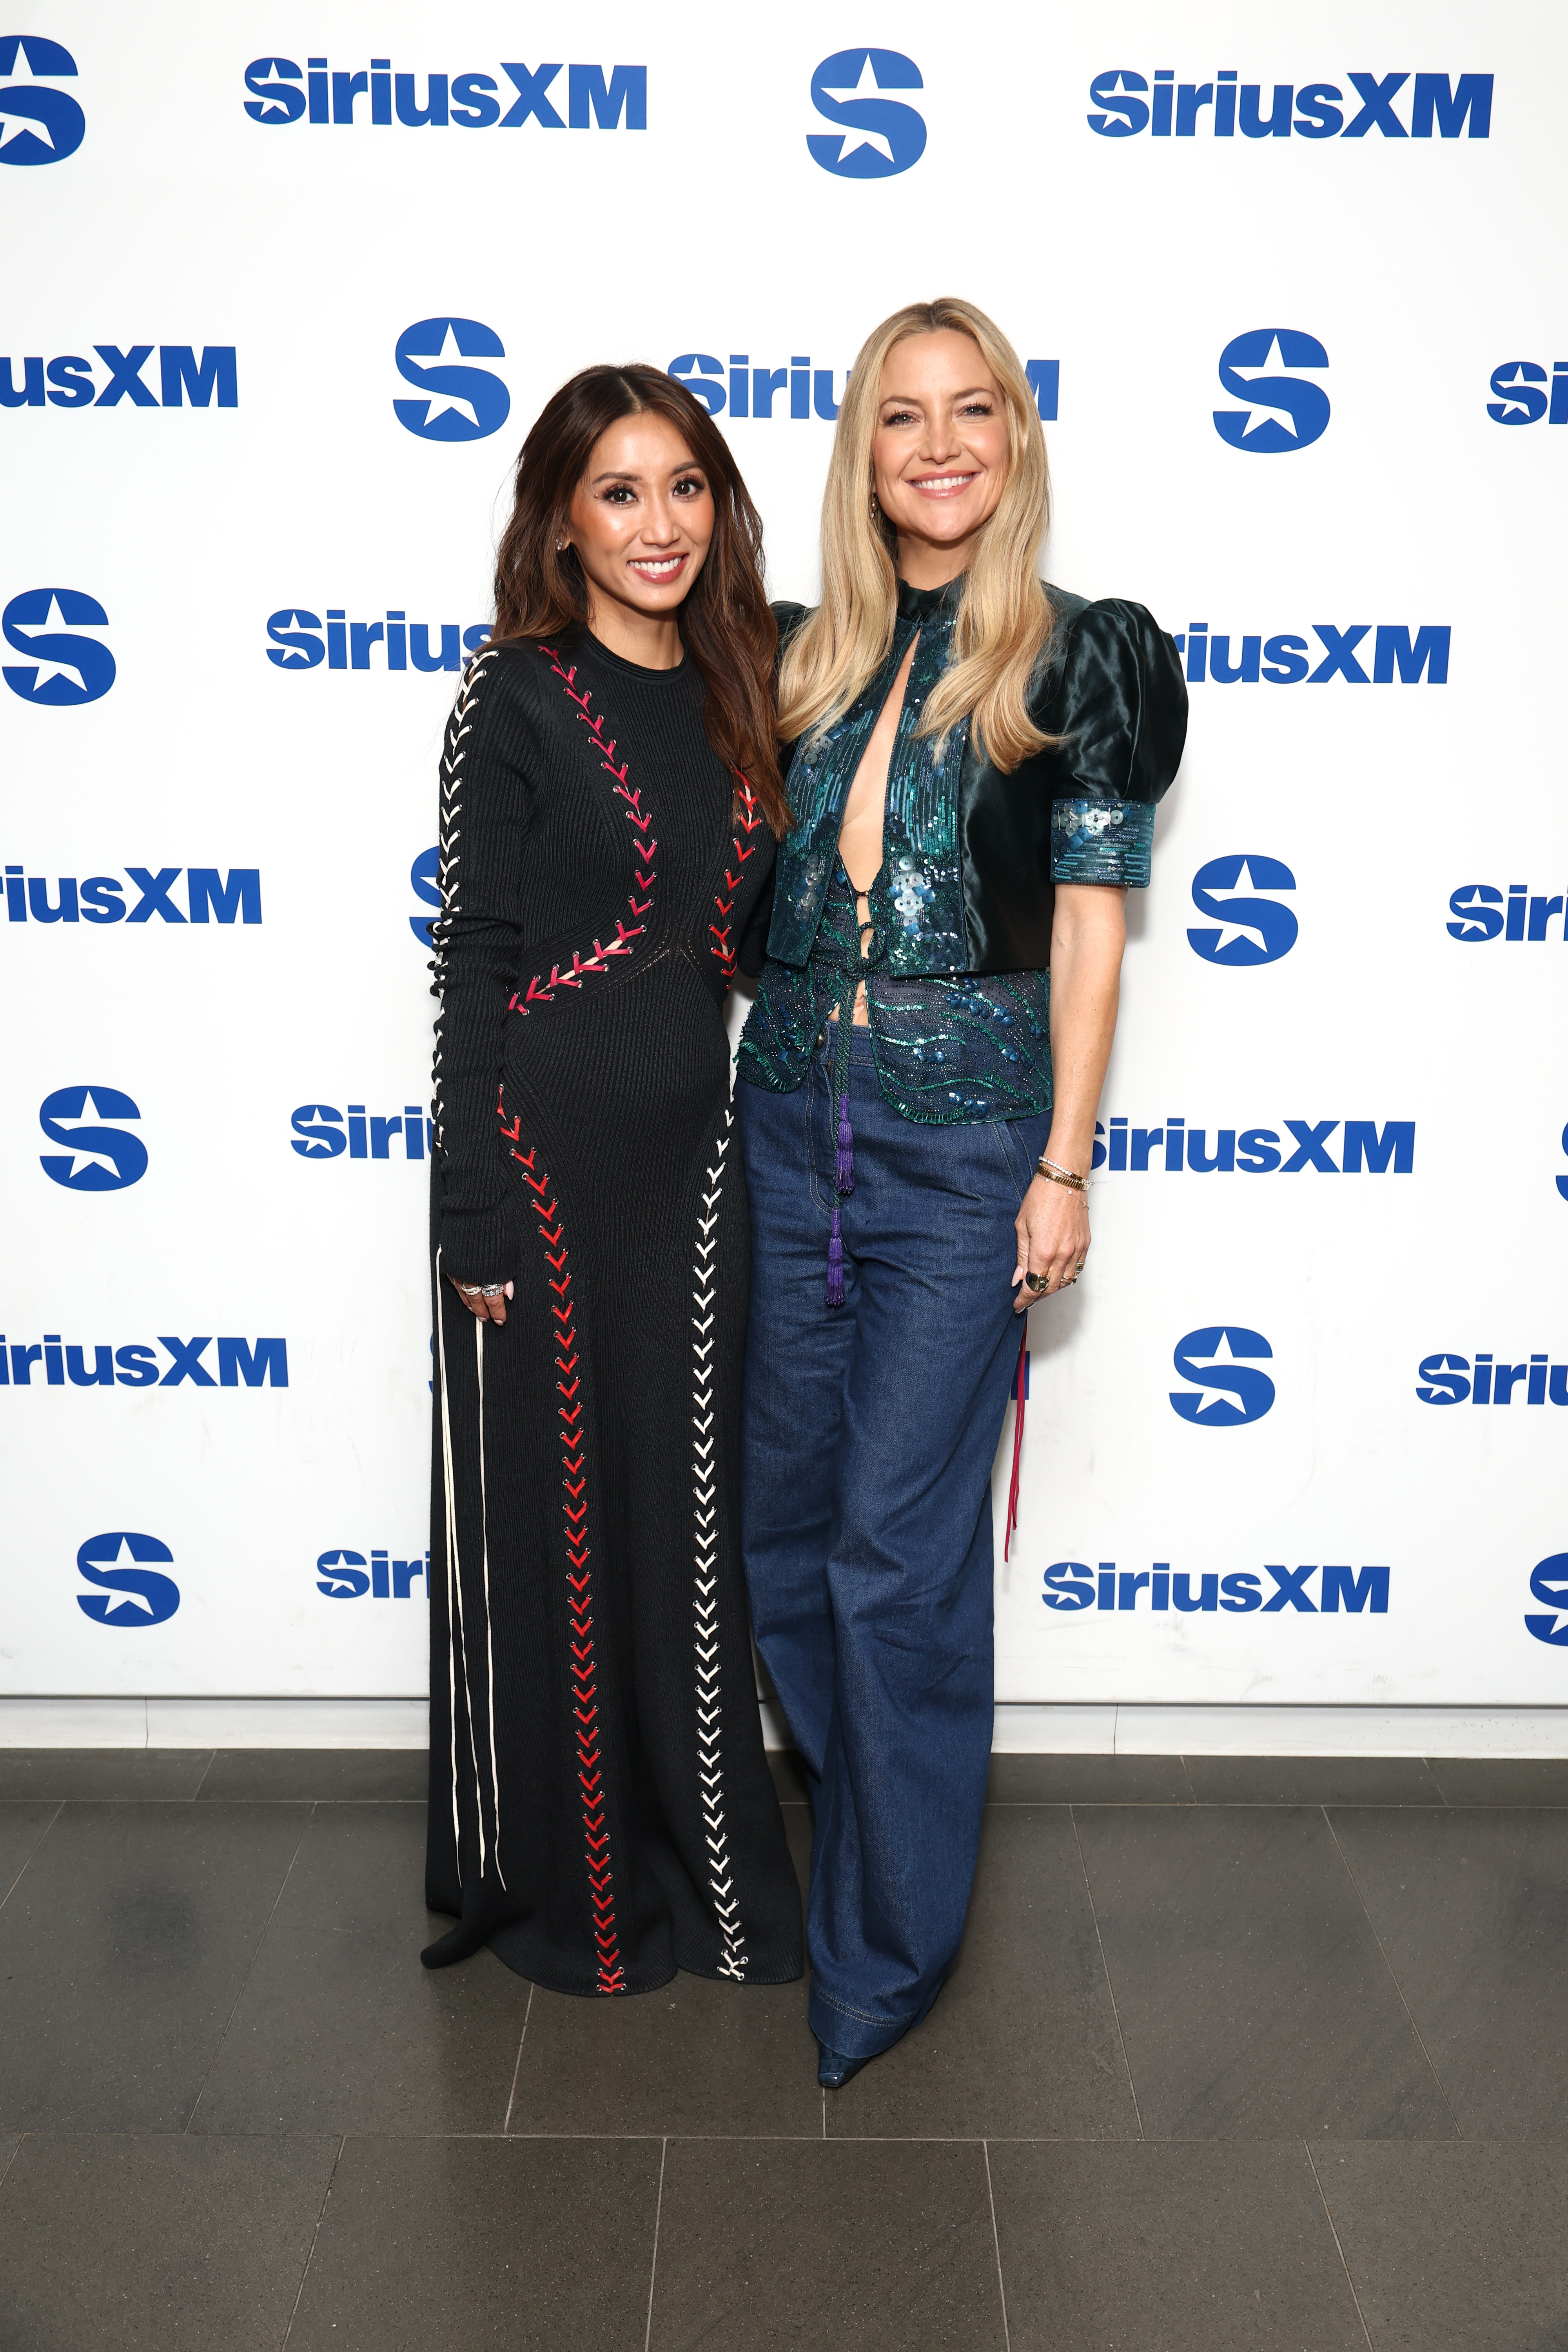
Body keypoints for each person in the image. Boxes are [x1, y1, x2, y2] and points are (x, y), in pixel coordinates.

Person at [737, 298, 1186, 2084]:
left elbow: (1092, 943)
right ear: (861, 451)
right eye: (901, 416)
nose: (939, 445)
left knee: (893, 1552)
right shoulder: (797, 659)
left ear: (1014, 438)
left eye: (972, 410)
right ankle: (883, 1828)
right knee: (781, 1533)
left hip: (960, 1150)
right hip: (781, 1125)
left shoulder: (1079, 657)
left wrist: (1062, 1165)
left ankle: (881, 1951)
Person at [422, 365, 803, 1996]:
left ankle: (717, 1889)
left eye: (685, 487)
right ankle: (582, 1905)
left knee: (688, 1529)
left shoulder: (757, 676)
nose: (659, 524)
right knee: (566, 1534)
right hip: (544, 1161)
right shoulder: (511, 696)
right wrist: (470, 1203)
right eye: (620, 493)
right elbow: (478, 958)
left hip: (699, 1162)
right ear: (561, 524)